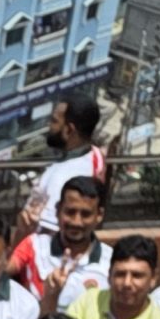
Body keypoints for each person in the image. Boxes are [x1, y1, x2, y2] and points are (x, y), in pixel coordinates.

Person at [10, 174, 110, 301]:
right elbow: (0, 273)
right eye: (70, 212)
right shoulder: (34, 246)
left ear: (99, 215)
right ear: (57, 210)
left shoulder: (111, 261)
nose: (76, 222)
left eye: (85, 214)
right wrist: (21, 233)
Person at [32, 88, 108, 226]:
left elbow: (49, 228)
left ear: (69, 130)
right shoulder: (94, 154)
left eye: (54, 121)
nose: (49, 126)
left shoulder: (64, 177)